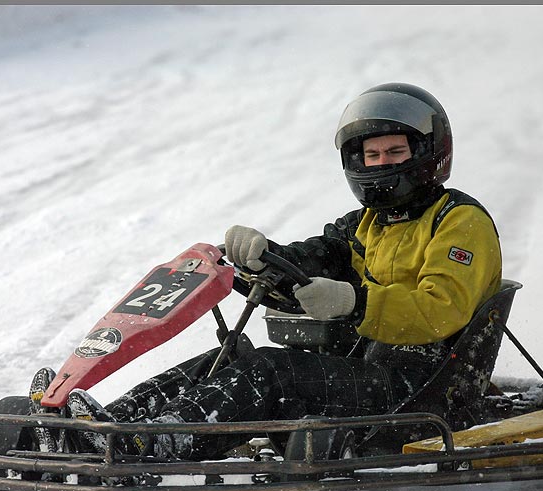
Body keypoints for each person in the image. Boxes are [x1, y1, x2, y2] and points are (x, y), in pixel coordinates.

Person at [32, 82, 503, 460]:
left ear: (427, 153)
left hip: (421, 390)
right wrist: (261, 256)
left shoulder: (459, 223)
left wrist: (354, 302)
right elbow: (314, 256)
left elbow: (442, 312)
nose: (381, 165)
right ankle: (100, 428)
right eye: (371, 155)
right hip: (368, 369)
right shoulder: (365, 223)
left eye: (395, 153)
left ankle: (152, 447)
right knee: (231, 357)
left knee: (271, 371)